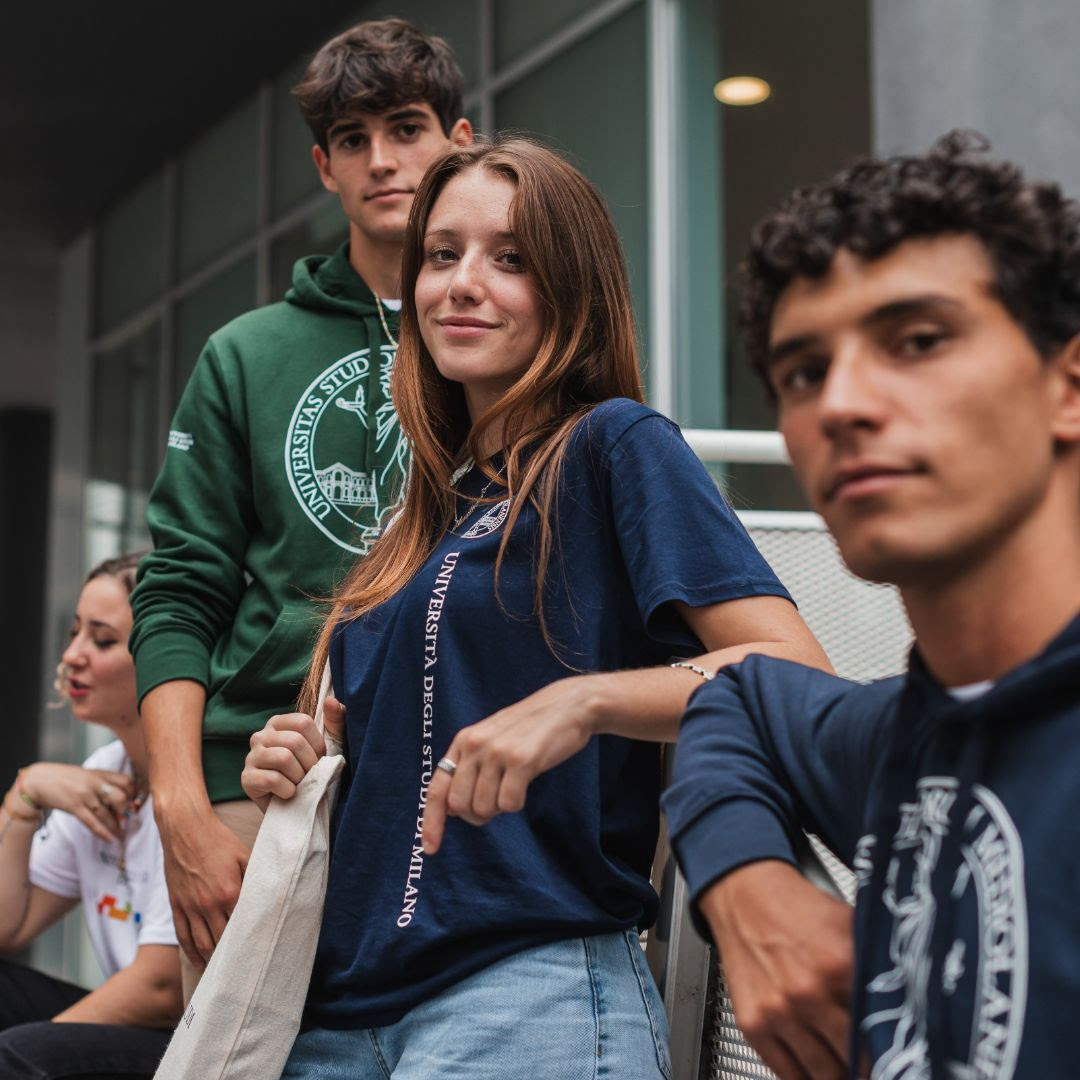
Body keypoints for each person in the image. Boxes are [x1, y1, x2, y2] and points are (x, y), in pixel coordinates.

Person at [240, 136, 828, 1078]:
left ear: (573, 289)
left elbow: (790, 669)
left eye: (509, 259)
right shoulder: (428, 513)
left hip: (524, 993)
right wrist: (304, 754)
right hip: (338, 1012)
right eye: (442, 255)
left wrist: (583, 701)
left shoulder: (613, 445)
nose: (463, 284)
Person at [662, 130, 1080, 1079]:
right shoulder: (910, 731)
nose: (841, 403)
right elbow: (740, 704)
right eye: (803, 371)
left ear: (1067, 386)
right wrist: (744, 885)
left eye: (918, 340)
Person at [127, 18, 473, 997]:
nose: (382, 161)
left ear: (459, 138)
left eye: (406, 128)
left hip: (466, 764)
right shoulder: (245, 353)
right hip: (263, 772)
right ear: (324, 167)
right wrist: (182, 811)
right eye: (353, 141)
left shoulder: (500, 331)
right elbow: (181, 592)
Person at [0, 553, 181, 1079]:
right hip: (132, 1030)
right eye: (75, 633)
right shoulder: (105, 770)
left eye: (102, 640)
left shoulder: (197, 780)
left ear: (162, 653)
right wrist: (25, 795)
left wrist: (32, 1043)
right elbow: (8, 926)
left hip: (195, 1044)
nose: (71, 656)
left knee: (17, 1054)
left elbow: (162, 988)